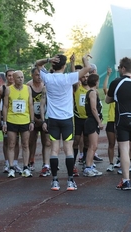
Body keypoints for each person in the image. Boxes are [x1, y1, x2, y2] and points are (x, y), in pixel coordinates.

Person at [35, 54, 91, 191]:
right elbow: (87, 68)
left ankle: (55, 181)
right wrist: (84, 59)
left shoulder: (47, 77)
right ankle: (70, 181)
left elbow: (37, 63)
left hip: (53, 119)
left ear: (53, 65)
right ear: (64, 66)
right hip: (66, 119)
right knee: (68, 149)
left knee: (54, 149)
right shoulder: (69, 77)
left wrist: (48, 60)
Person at [106, 57, 131, 190]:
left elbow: (108, 100)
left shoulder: (117, 82)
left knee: (124, 149)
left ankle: (126, 180)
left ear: (123, 68)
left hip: (122, 118)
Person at [2, 70, 35, 178]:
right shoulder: (8, 90)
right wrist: (5, 122)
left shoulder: (28, 89)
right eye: (18, 78)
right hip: (12, 121)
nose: (21, 79)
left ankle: (25, 167)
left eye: (22, 77)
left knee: (25, 144)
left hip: (25, 121)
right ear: (14, 79)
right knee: (11, 144)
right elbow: (5, 106)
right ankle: (11, 167)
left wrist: (32, 121)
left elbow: (30, 105)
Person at [27, 67, 51, 176]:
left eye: (41, 75)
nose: (39, 77)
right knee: (31, 141)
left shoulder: (46, 86)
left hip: (44, 118)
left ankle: (46, 164)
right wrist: (34, 120)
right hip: (32, 118)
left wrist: (43, 120)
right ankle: (30, 160)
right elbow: (27, 105)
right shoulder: (28, 86)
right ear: (32, 75)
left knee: (46, 141)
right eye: (37, 75)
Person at [83, 74, 104, 177]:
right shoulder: (92, 93)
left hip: (93, 121)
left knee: (93, 146)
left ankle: (90, 166)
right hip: (92, 121)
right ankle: (88, 167)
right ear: (96, 82)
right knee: (92, 146)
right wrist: (99, 122)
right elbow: (93, 108)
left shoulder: (93, 92)